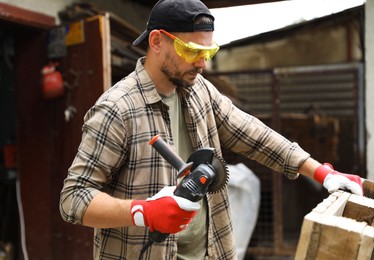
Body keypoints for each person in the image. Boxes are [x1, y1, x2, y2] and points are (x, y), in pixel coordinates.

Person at [59, 0, 364, 259]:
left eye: (209, 52)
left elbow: (254, 135)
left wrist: (321, 172)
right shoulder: (117, 109)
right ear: (156, 42)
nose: (203, 63)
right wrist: (143, 212)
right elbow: (74, 198)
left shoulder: (199, 91)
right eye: (192, 51)